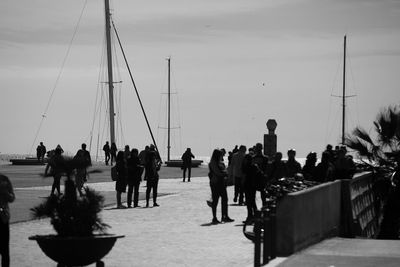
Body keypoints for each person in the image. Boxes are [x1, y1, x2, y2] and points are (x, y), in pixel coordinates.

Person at [208, 149, 234, 224]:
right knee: (215, 201)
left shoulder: (220, 163)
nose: (221, 156)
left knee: (225, 199)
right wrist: (224, 173)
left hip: (222, 183)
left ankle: (225, 216)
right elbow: (218, 172)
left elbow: (225, 171)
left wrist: (224, 173)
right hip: (215, 183)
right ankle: (214, 217)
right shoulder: (212, 163)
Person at [0, 174, 15, 267]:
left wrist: (4, 191)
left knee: (4, 249)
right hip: (3, 217)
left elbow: (12, 198)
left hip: (3, 218)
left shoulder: (4, 179)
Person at [242, 154, 259, 223]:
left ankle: (250, 217)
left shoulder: (247, 167)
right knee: (252, 202)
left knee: (249, 203)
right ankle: (255, 216)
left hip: (248, 185)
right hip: (253, 186)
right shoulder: (255, 166)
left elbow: (244, 176)